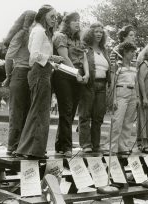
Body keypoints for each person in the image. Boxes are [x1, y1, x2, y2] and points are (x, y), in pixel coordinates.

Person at [16, 5, 65, 159]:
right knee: (39, 112)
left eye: (56, 17)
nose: (54, 19)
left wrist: (53, 63)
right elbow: (34, 55)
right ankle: (30, 150)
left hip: (44, 72)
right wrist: (52, 58)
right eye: (52, 16)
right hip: (39, 73)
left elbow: (41, 55)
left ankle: (34, 149)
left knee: (41, 112)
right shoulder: (38, 31)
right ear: (43, 16)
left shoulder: (43, 32)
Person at [52, 12, 89, 157]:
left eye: (79, 20)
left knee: (71, 112)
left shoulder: (79, 39)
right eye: (74, 20)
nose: (77, 23)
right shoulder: (60, 36)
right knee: (66, 111)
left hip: (78, 76)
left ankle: (60, 144)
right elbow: (65, 58)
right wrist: (77, 74)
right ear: (67, 23)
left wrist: (86, 74)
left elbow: (84, 57)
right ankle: (67, 146)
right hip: (64, 75)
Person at [2, 10, 36, 156]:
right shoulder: (22, 35)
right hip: (20, 73)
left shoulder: (35, 35)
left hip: (30, 74)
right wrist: (8, 76)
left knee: (27, 113)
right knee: (17, 113)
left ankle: (21, 146)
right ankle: (13, 146)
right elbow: (9, 58)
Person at [78, 22, 111, 153]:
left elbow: (108, 68)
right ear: (91, 33)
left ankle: (95, 144)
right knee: (85, 115)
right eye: (96, 31)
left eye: (101, 32)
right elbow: (81, 65)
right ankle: (86, 144)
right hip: (89, 84)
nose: (99, 34)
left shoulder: (104, 50)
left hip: (102, 85)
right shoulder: (85, 48)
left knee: (98, 116)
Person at [105, 41, 139, 155]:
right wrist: (113, 98)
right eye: (131, 52)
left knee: (128, 122)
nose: (133, 54)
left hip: (132, 93)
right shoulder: (117, 65)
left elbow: (137, 82)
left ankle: (123, 145)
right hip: (121, 92)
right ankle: (111, 146)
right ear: (124, 52)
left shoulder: (134, 66)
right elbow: (113, 83)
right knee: (117, 121)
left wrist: (138, 97)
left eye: (134, 52)